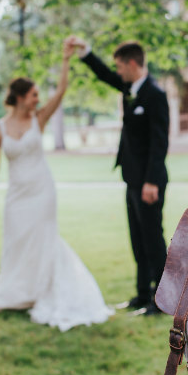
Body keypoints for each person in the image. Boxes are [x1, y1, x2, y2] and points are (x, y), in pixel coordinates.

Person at [0, 40, 113, 330]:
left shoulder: (39, 120)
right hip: (17, 194)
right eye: (32, 95)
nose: (37, 100)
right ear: (19, 97)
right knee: (16, 241)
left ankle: (41, 291)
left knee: (43, 240)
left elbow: (61, 91)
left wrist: (66, 59)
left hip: (42, 190)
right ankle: (14, 294)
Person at [66, 37, 169, 316]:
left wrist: (150, 181)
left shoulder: (155, 95)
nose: (118, 71)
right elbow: (105, 75)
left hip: (150, 181)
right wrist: (85, 53)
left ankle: (161, 300)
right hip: (132, 178)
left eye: (120, 66)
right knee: (137, 238)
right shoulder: (129, 88)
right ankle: (141, 294)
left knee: (152, 239)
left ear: (133, 64)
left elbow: (159, 143)